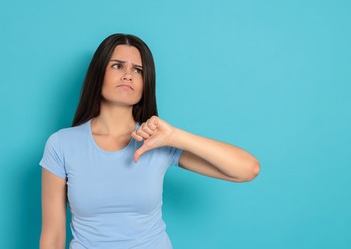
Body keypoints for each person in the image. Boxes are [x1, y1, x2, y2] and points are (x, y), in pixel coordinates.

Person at [39, 33, 260, 249]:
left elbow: (247, 169)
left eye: (138, 70)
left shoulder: (158, 142)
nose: (128, 75)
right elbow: (53, 237)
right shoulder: (61, 144)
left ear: (146, 83)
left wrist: (176, 136)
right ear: (98, 74)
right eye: (117, 66)